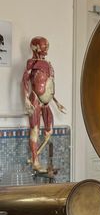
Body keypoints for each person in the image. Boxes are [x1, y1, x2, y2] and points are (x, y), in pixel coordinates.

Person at [22, 36, 66, 171]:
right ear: (35, 47)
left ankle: (35, 157)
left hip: (47, 103)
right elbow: (24, 81)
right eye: (43, 47)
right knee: (35, 130)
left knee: (49, 132)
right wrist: (25, 99)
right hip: (35, 100)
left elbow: (49, 87)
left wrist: (57, 103)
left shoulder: (49, 65)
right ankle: (35, 161)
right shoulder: (31, 63)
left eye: (46, 46)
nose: (45, 50)